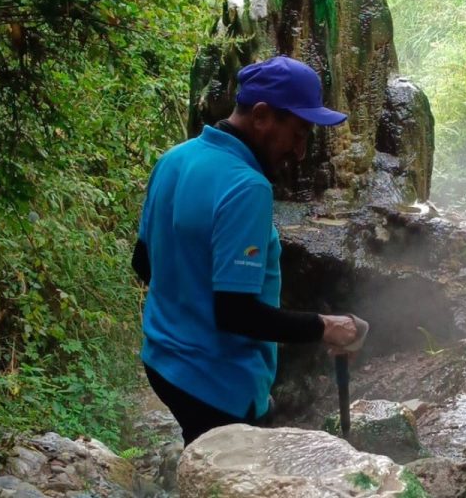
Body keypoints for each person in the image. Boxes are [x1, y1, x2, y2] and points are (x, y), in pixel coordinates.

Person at [132, 55, 367, 445]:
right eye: (298, 133)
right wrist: (327, 326)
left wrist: (188, 310)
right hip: (216, 383)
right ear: (261, 116)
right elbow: (236, 313)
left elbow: (144, 263)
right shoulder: (247, 187)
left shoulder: (174, 159)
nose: (301, 151)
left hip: (162, 363)